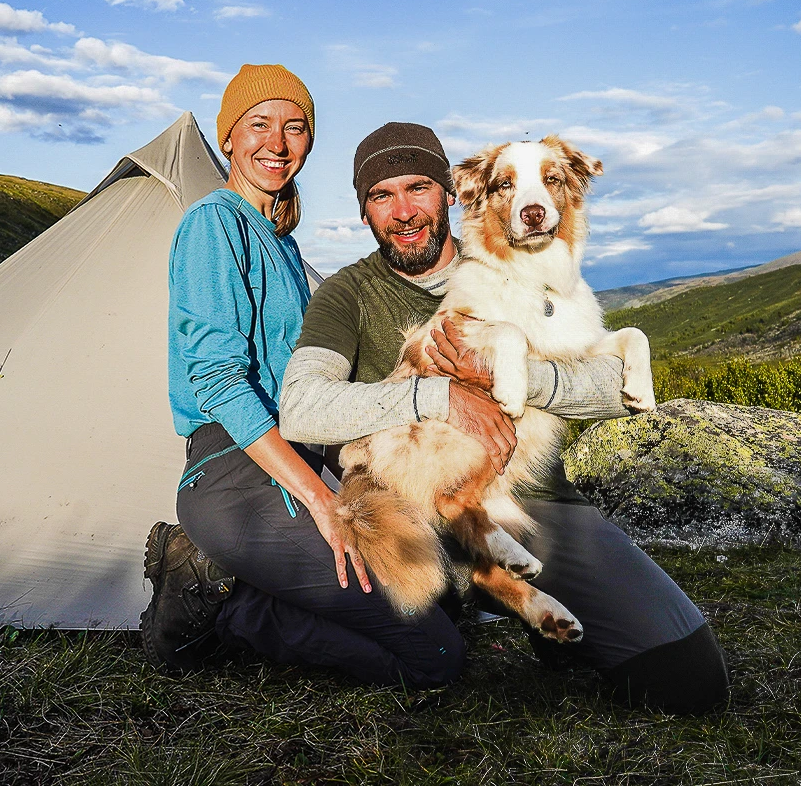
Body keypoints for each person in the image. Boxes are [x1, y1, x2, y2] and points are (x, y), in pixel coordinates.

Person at [276, 122, 730, 715]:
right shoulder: (347, 293)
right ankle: (469, 587)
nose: (403, 211)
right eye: (381, 196)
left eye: (417, 188)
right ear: (363, 212)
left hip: (537, 496)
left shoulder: (519, 255)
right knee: (423, 622)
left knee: (691, 681)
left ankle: (509, 598)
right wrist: (437, 396)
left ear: (451, 192)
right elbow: (302, 408)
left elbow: (609, 389)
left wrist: (516, 378)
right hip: (430, 486)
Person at [141, 67, 464, 689]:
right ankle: (223, 610)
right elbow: (217, 379)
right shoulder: (214, 224)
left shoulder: (280, 241)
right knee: (437, 658)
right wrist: (321, 500)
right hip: (238, 471)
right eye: (259, 125)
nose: (278, 143)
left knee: (444, 597)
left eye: (295, 127)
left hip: (298, 455)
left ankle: (234, 574)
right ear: (228, 138)